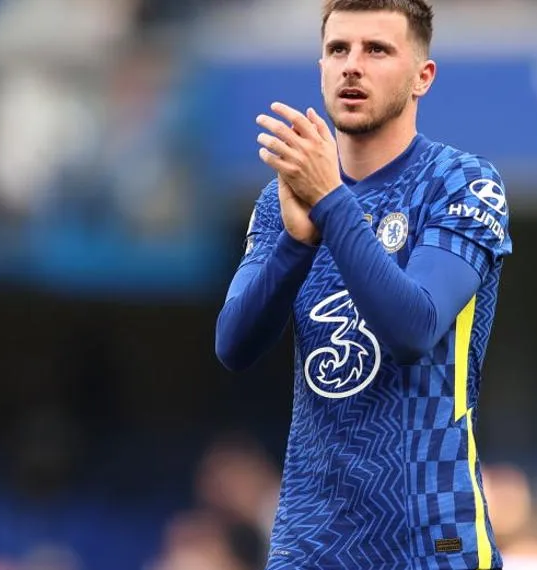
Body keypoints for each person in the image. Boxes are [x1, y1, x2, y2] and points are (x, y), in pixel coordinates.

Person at [214, 1, 513, 569]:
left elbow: (413, 327)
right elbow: (233, 345)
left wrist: (331, 202)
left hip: (432, 537)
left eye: (377, 50)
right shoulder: (282, 198)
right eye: (338, 50)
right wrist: (296, 244)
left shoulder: (463, 183)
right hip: (311, 540)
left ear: (422, 76)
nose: (353, 66)